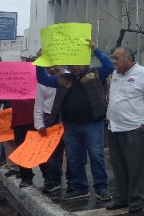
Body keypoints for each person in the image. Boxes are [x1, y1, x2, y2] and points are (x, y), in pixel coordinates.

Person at [36, 40, 113, 201]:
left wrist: (96, 50)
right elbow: (43, 79)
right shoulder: (64, 78)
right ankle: (80, 187)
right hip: (70, 127)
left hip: (92, 124)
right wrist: (41, 61)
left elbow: (110, 67)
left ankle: (101, 188)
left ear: (83, 62)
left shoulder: (95, 74)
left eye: (76, 63)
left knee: (97, 156)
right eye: (70, 64)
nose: (73, 67)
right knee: (74, 158)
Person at [106, 46, 144, 213]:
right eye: (113, 58)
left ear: (129, 59)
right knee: (119, 167)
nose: (114, 61)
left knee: (136, 167)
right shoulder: (116, 75)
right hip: (114, 128)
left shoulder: (143, 74)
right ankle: (121, 198)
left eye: (117, 58)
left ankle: (137, 199)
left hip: (133, 129)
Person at [34, 65, 67, 194]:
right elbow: (38, 105)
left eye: (54, 66)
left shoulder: (71, 76)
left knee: (72, 153)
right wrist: (39, 124)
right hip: (50, 119)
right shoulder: (43, 82)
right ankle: (54, 180)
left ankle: (73, 182)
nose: (51, 69)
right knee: (51, 152)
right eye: (48, 67)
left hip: (69, 118)